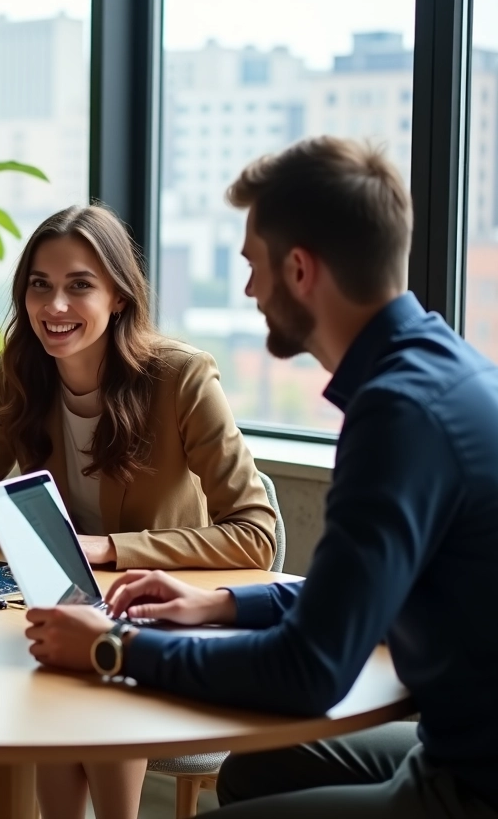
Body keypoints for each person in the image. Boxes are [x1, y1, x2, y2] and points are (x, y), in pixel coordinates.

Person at [25, 136, 498, 818]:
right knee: (262, 767)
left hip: (473, 785)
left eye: (253, 266)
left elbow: (308, 672)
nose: (248, 290)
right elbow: (353, 594)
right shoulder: (442, 370)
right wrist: (219, 604)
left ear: (300, 269)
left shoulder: (399, 415)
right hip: (450, 743)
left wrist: (111, 645)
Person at [0, 203, 278, 819]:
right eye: (40, 285)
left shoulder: (182, 378)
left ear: (119, 296)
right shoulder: (19, 372)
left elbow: (255, 535)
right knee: (54, 661)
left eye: (79, 286)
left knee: (92, 667)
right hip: (67, 605)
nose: (55, 307)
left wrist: (108, 547)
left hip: (164, 608)